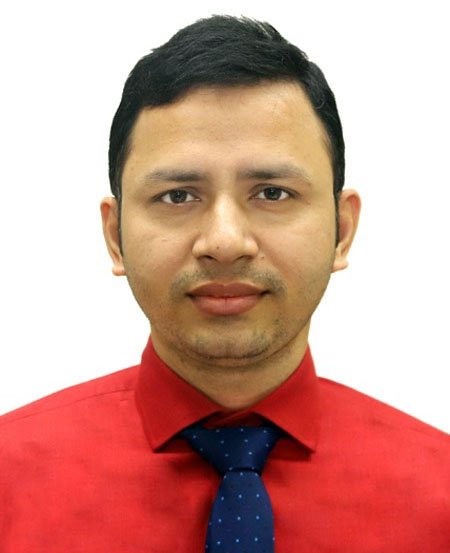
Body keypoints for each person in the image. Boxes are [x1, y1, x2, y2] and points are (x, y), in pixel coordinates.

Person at [0, 15, 448, 552]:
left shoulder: (439, 495)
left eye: (273, 193)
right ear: (115, 236)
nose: (225, 241)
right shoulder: (9, 481)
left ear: (342, 230)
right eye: (178, 196)